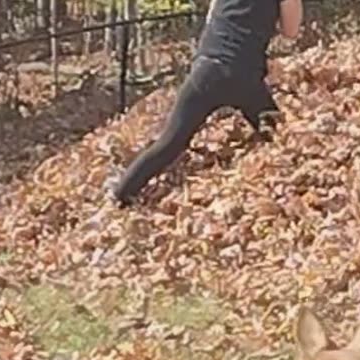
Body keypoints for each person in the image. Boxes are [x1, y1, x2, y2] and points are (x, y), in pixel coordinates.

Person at [107, 0, 303, 206]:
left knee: (170, 143)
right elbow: (291, 31)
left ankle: (122, 194)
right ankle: (293, 187)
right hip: (245, 77)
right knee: (279, 137)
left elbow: (211, 17)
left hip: (207, 71)